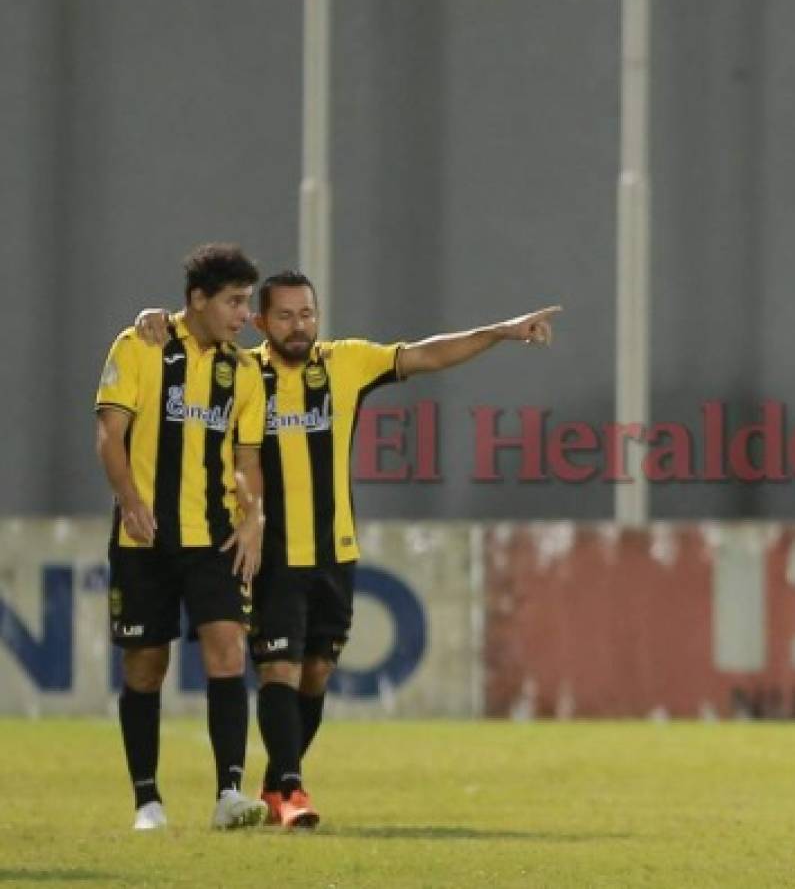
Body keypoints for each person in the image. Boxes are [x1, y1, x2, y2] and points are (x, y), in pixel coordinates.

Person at [135, 271, 560, 828]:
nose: (298, 326)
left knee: (315, 674)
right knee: (280, 670)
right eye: (284, 316)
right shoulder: (242, 374)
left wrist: (502, 331)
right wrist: (154, 319)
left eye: (306, 314)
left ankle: (275, 782)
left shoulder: (344, 364)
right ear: (261, 323)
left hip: (335, 550)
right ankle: (290, 790)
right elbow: (191, 336)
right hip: (270, 552)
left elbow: (424, 356)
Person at [95, 243, 269, 830]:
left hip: (214, 538)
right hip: (144, 540)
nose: (244, 315)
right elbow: (109, 434)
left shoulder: (243, 371)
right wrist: (130, 501)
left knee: (228, 649)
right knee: (146, 665)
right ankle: (147, 800)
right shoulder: (140, 344)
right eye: (234, 302)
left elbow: (248, 458)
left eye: (246, 303)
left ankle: (229, 795)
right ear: (198, 299)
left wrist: (253, 517)